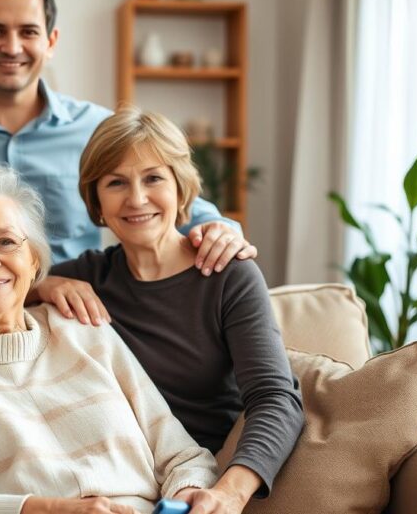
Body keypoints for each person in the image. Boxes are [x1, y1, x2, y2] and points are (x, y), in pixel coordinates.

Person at [0, 161, 218, 514]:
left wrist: (188, 494)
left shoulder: (83, 328)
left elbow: (183, 456)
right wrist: (51, 510)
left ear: (33, 262)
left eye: (5, 242)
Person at [33, 106, 304, 512]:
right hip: (114, 485)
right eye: (116, 183)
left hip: (204, 482)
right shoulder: (87, 277)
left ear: (182, 190)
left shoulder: (228, 275)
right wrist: (44, 284)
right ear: (97, 203)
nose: (137, 198)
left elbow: (275, 397)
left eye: (154, 178)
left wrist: (229, 492)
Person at [0, 0, 254, 270]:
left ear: (51, 42)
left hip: (75, 319)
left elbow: (179, 204)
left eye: (28, 32)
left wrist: (223, 231)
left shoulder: (100, 130)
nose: (12, 47)